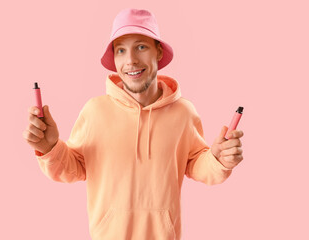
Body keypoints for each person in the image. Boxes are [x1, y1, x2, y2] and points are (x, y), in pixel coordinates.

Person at [23, 8, 244, 240]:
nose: (130, 60)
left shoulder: (184, 113)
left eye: (141, 46)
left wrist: (219, 159)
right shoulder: (94, 111)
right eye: (121, 50)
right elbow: (72, 169)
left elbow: (197, 164)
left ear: (158, 51)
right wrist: (50, 147)